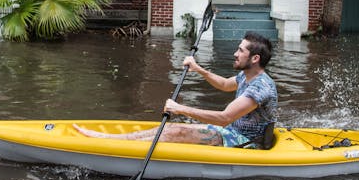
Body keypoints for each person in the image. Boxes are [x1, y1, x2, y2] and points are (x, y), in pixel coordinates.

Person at [74, 32, 277, 147]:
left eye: (240, 50)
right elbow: (225, 84)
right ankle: (109, 140)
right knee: (168, 128)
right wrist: (198, 69)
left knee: (176, 131)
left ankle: (111, 145)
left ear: (255, 58)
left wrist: (180, 109)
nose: (235, 53)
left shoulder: (261, 87)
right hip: (233, 132)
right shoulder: (247, 75)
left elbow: (224, 118)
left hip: (247, 142)